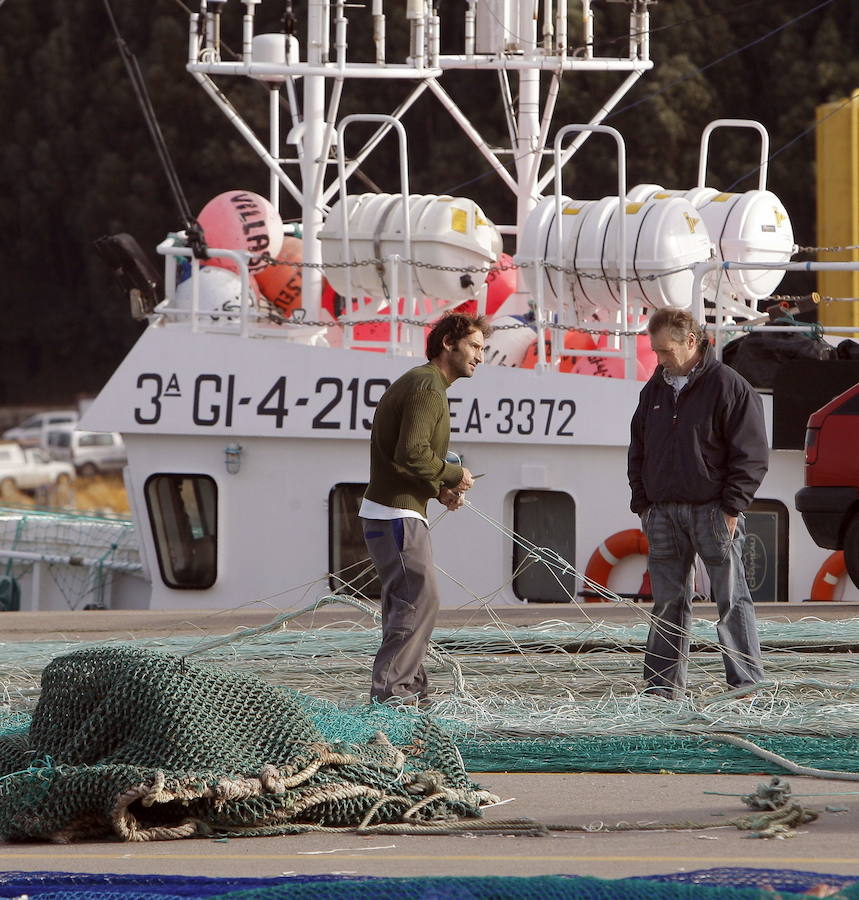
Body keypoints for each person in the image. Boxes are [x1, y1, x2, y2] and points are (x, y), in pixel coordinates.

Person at [628, 308, 768, 699]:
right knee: (667, 603)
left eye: (665, 350)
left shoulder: (728, 386)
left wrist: (731, 507)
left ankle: (745, 687)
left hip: (713, 512)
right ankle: (662, 689)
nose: (660, 359)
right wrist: (643, 504)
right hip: (663, 512)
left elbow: (752, 454)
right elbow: (638, 449)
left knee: (732, 600)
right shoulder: (654, 390)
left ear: (691, 341)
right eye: (656, 351)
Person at [360, 312, 490, 705]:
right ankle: (394, 695)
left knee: (409, 602)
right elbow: (412, 452)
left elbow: (404, 460)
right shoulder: (428, 387)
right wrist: (454, 474)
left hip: (392, 513)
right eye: (474, 346)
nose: (480, 357)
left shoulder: (423, 383)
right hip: (396, 515)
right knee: (419, 600)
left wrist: (438, 490)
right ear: (448, 343)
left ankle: (411, 692)